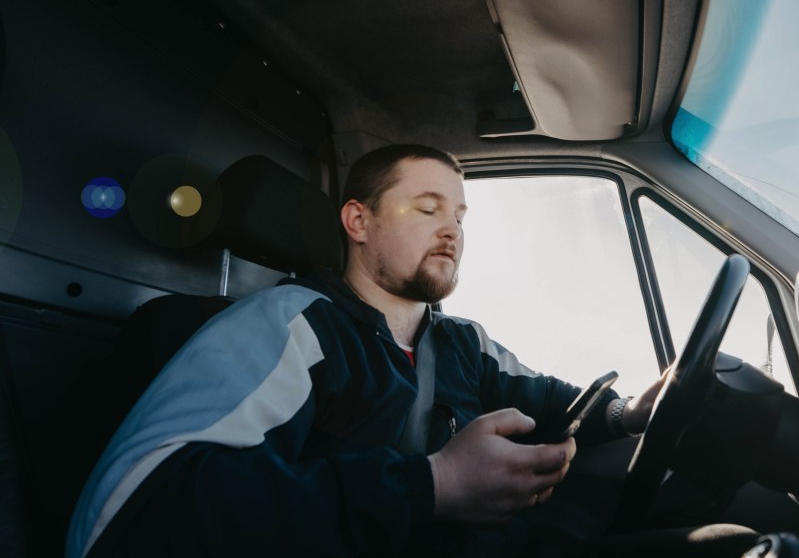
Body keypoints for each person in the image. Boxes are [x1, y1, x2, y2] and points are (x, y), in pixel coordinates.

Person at [66, 144, 666, 557]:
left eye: (459, 216)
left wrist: (627, 412)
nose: (452, 230)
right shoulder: (289, 324)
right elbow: (143, 507)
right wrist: (432, 485)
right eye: (427, 209)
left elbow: (551, 400)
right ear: (358, 220)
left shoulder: (464, 341)